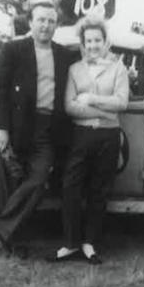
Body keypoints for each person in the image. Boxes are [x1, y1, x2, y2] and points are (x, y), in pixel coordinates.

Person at [0, 2, 77, 257]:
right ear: (30, 22)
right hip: (18, 126)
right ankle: (11, 238)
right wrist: (2, 128)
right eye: (41, 20)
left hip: (49, 128)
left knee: (38, 180)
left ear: (56, 26)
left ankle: (0, 227)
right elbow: (0, 90)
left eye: (51, 21)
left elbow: (91, 60)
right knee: (16, 181)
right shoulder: (13, 49)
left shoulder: (63, 54)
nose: (46, 25)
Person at [48, 16, 129, 265]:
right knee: (70, 186)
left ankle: (90, 243)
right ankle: (71, 242)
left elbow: (122, 102)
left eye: (97, 40)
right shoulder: (74, 70)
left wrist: (92, 99)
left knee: (99, 189)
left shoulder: (118, 69)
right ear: (83, 43)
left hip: (108, 136)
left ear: (105, 42)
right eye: (88, 41)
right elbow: (70, 106)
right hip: (81, 135)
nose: (93, 45)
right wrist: (104, 111)